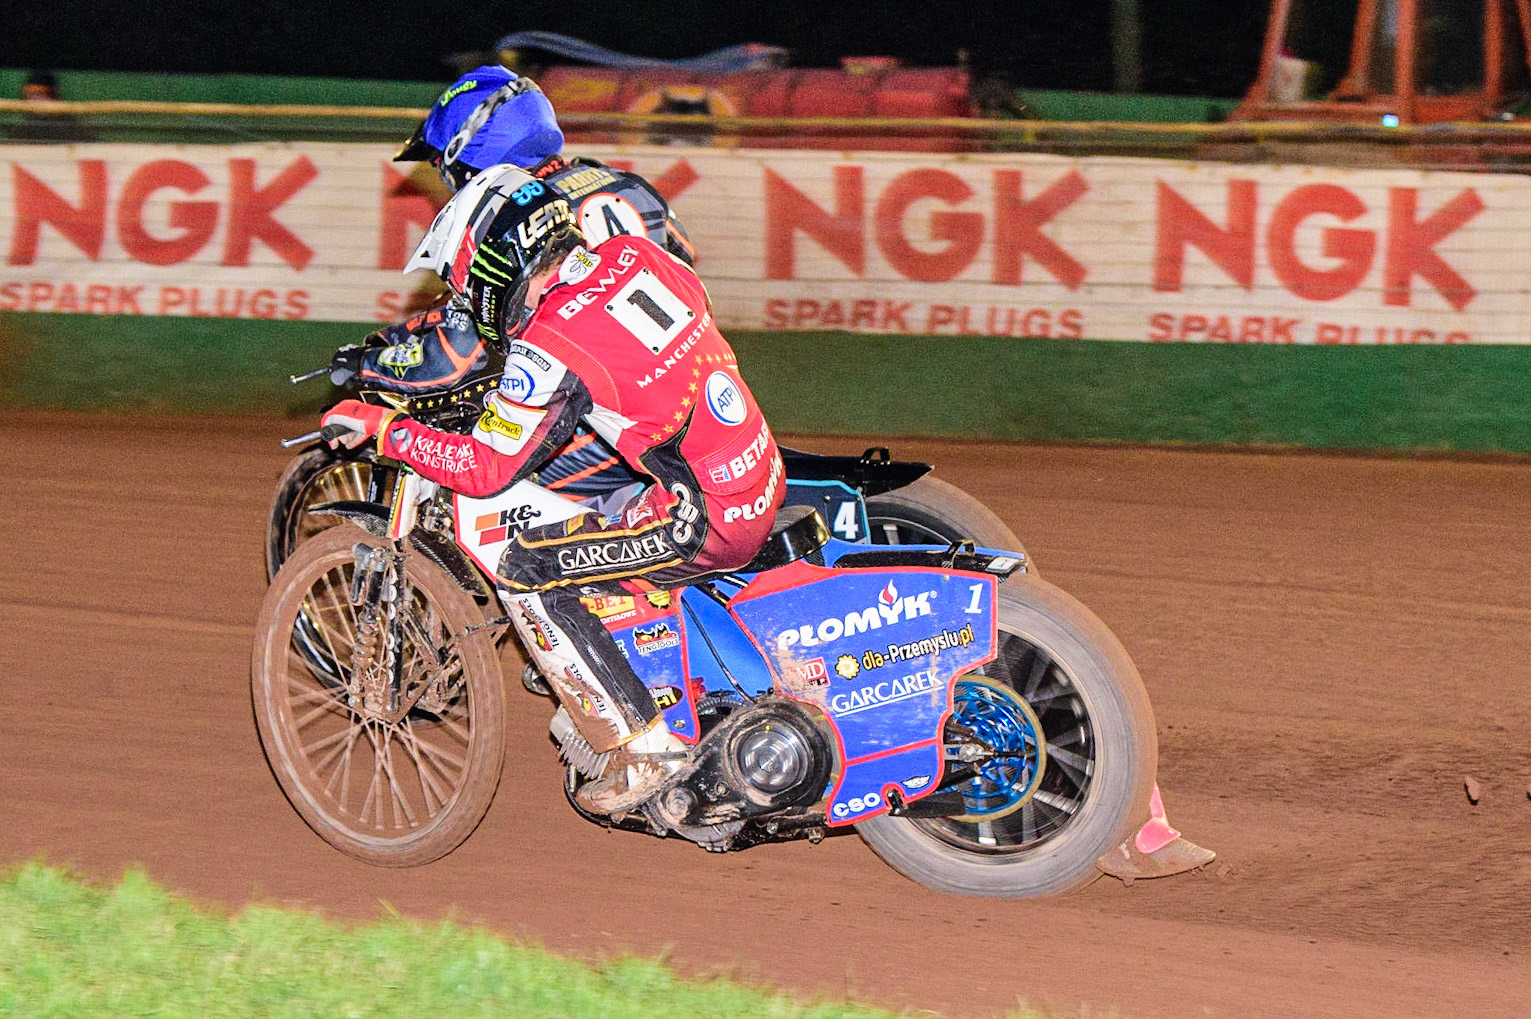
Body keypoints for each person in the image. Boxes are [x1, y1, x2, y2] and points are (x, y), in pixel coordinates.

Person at [320, 166, 784, 815]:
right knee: (590, 509)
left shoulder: (545, 346)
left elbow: (485, 469)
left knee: (529, 566)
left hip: (701, 518)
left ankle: (641, 748)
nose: (464, 296)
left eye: (462, 281)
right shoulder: (636, 255)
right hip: (754, 468)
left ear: (493, 266)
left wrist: (387, 429)